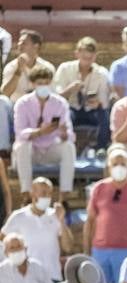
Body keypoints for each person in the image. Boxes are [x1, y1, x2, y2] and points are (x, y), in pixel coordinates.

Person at [84, 148, 127, 283]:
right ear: (109, 166)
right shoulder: (98, 188)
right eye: (115, 164)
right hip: (100, 250)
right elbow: (90, 221)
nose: (119, 167)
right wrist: (87, 251)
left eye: (123, 164)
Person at [13, 66, 76, 208]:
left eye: (46, 83)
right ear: (33, 84)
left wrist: (64, 133)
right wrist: (40, 132)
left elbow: (70, 135)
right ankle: (27, 196)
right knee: (22, 146)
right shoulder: (22, 104)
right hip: (31, 150)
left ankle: (63, 198)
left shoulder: (60, 103)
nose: (43, 86)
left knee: (68, 147)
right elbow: (20, 133)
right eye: (40, 83)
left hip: (51, 148)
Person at [1, 178, 73, 278]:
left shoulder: (56, 215)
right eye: (43, 193)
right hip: (28, 279)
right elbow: (3, 240)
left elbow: (68, 247)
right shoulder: (18, 216)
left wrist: (62, 220)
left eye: (49, 193)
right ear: (33, 194)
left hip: (53, 276)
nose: (47, 196)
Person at [53, 37, 111, 153]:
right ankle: (65, 147)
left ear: (95, 56)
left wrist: (97, 102)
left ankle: (101, 148)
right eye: (84, 58)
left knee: (104, 115)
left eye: (90, 58)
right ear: (77, 54)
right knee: (63, 115)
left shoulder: (102, 73)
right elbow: (56, 97)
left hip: (92, 110)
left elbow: (104, 101)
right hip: (71, 107)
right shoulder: (65, 68)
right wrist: (70, 89)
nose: (87, 62)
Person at [1, 29, 55, 104]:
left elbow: (51, 93)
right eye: (19, 42)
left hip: (39, 107)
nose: (19, 44)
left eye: (23, 43)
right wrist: (18, 71)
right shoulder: (11, 66)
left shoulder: (47, 67)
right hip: (15, 106)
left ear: (36, 46)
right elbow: (5, 93)